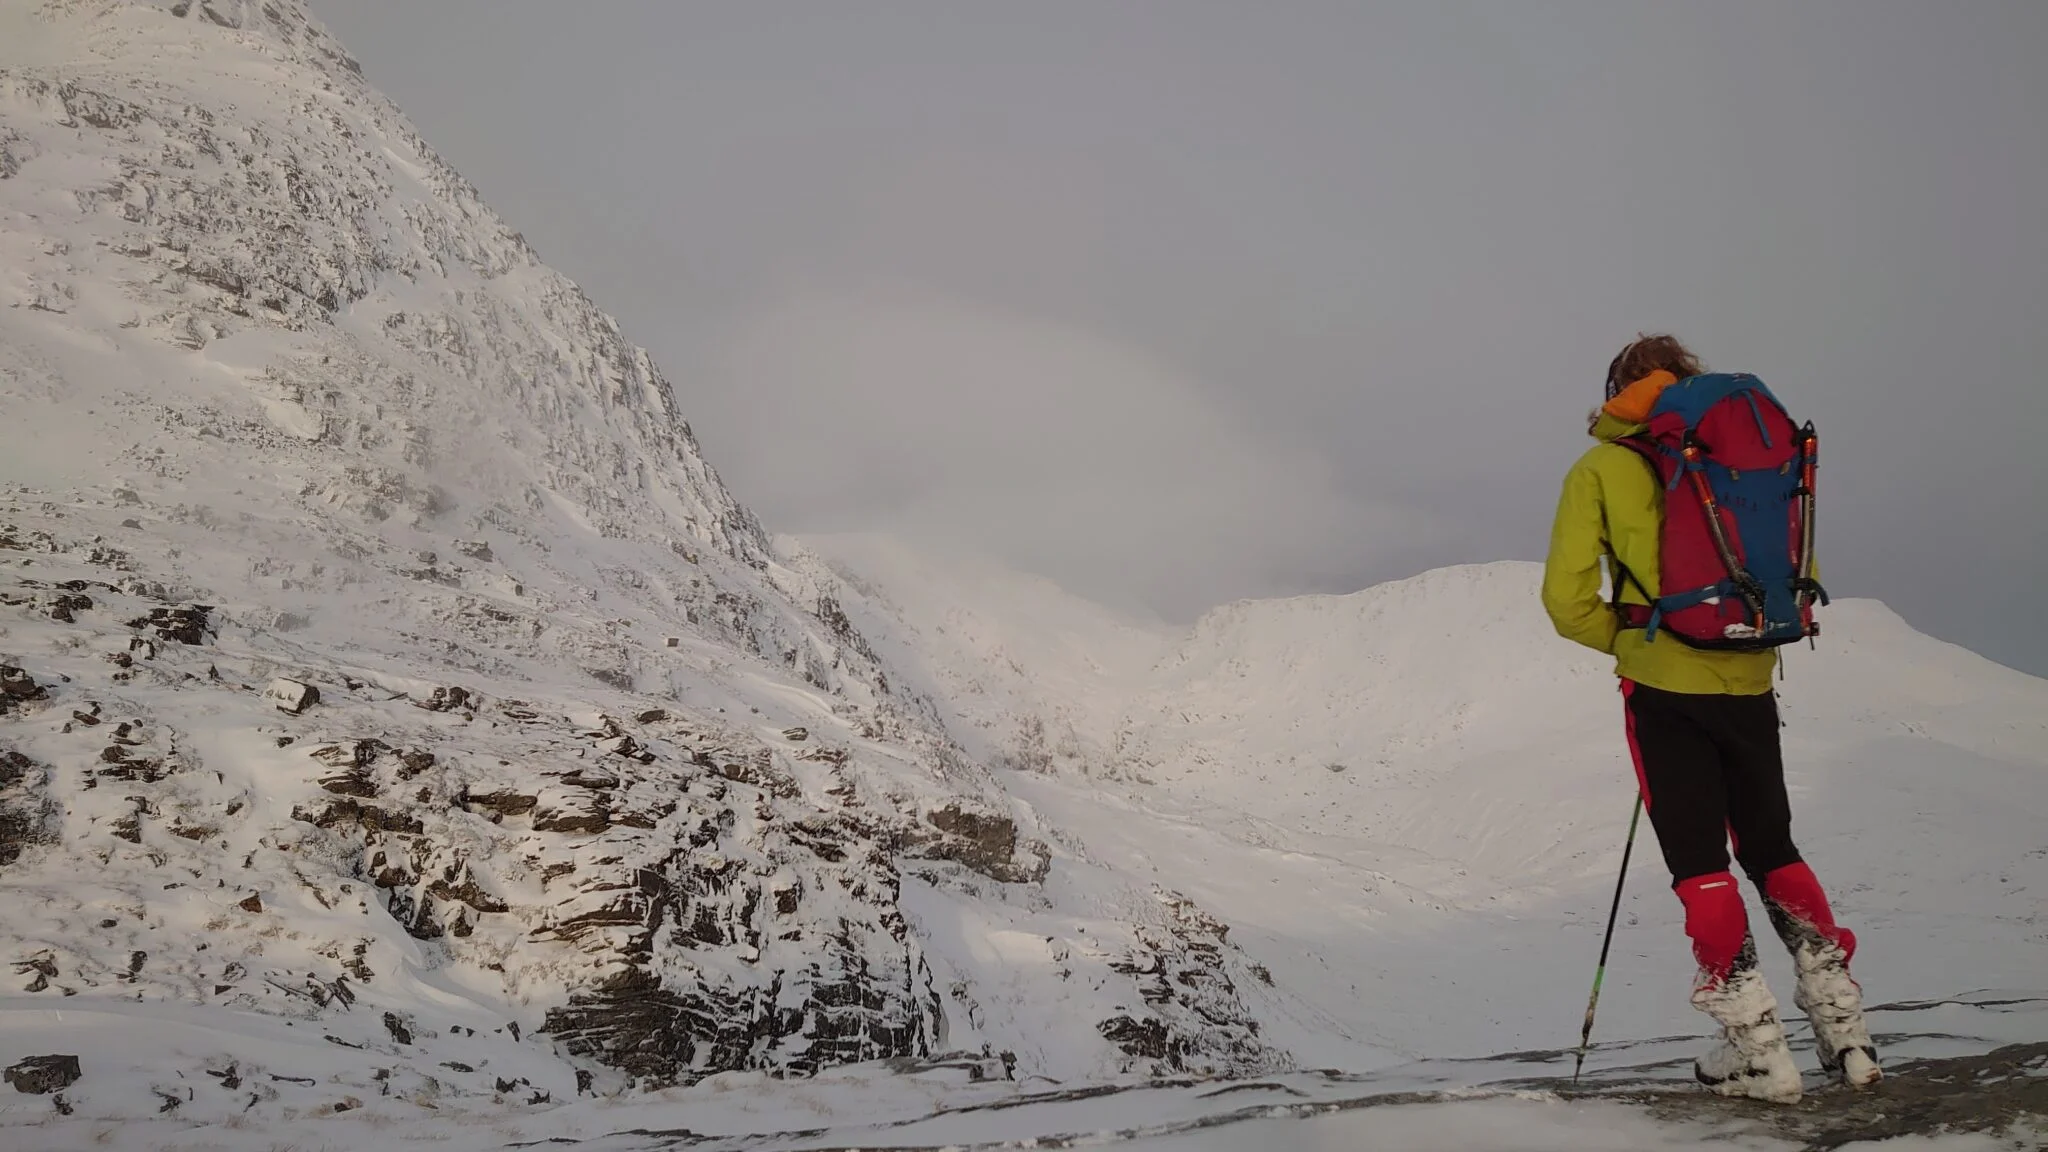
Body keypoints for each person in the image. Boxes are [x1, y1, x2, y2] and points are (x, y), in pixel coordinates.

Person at [1541, 334, 1880, 1103]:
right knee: (1772, 847)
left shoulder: (1601, 468)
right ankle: (1846, 1031)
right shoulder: (1755, 460)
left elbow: (1565, 603)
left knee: (1700, 865)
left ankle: (1757, 1048)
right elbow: (1798, 576)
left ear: (1622, 394)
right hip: (1753, 679)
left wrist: (1637, 641)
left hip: (1665, 689)